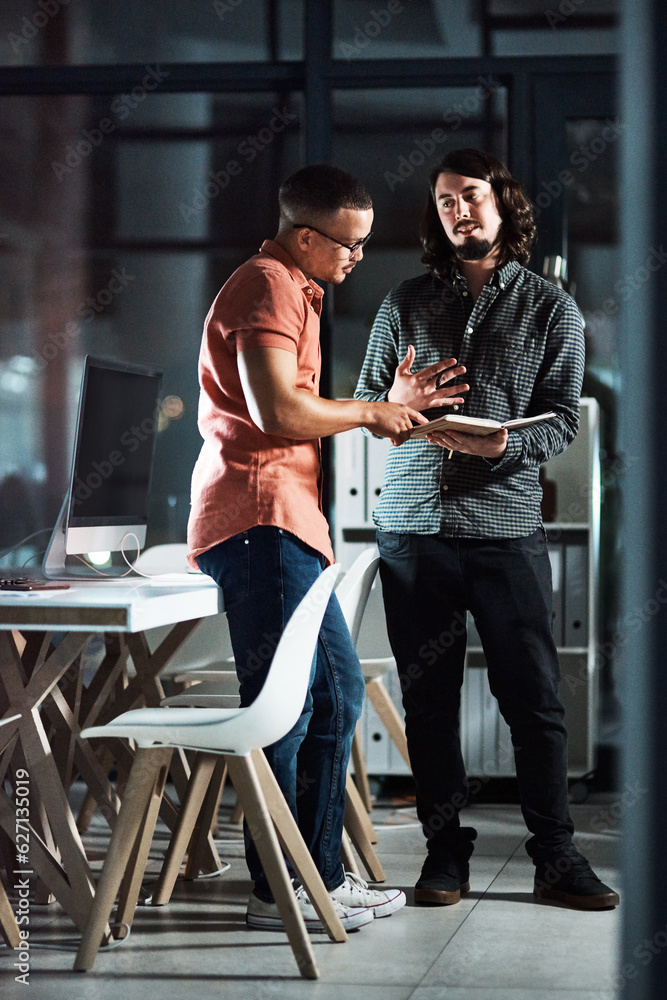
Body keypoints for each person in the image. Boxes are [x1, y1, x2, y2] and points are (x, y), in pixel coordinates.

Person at [354, 148, 620, 911]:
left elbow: (562, 420)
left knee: (533, 698)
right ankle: (445, 855)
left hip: (503, 527)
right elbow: (371, 408)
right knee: (427, 701)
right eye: (443, 201)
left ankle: (556, 857)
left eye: (470, 197)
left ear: (502, 205)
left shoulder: (548, 307)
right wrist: (396, 399)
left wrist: (502, 442)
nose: (457, 211)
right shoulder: (401, 302)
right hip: (413, 527)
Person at [187, 164, 446, 932]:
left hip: (285, 523)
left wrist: (385, 405)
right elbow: (276, 411)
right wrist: (370, 414)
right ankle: (279, 894)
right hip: (263, 520)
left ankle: (315, 879)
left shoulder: (289, 288)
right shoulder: (267, 283)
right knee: (290, 714)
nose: (356, 258)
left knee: (329, 702)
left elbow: (294, 404)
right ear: (306, 235)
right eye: (348, 244)